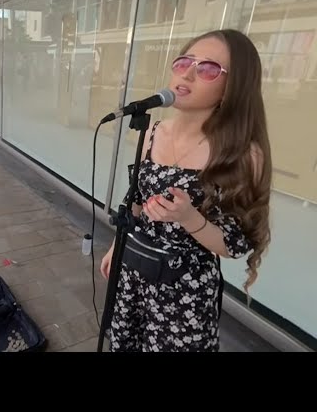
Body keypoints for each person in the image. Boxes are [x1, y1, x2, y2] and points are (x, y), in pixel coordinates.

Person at [100, 29, 272, 352]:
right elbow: (135, 202)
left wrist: (189, 218)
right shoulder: (152, 132)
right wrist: (116, 246)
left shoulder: (243, 154)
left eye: (208, 69)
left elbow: (234, 243)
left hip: (183, 296)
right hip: (134, 274)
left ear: (231, 88)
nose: (189, 74)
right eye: (184, 62)